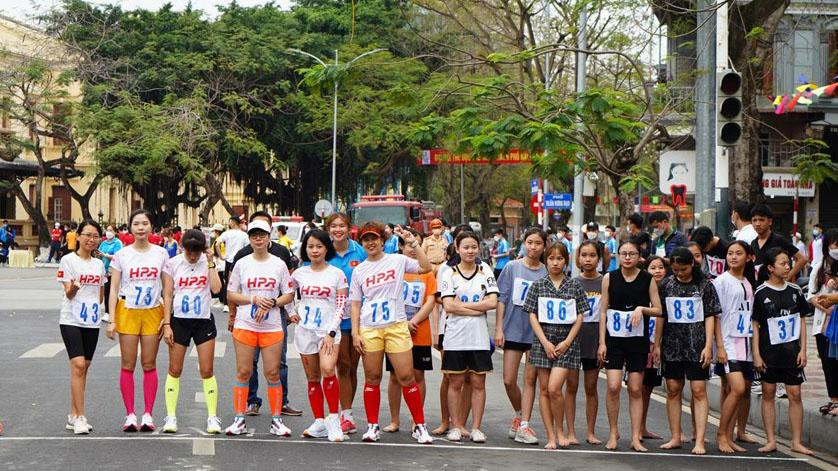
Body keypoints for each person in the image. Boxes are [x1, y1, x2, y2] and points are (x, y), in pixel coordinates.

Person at [349, 222, 434, 444]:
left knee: (407, 377)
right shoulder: (359, 270)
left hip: (396, 326)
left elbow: (426, 268)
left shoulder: (397, 260)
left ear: (383, 241)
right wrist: (356, 333)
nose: (370, 243)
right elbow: (356, 304)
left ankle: (420, 426)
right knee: (373, 377)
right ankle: (372, 426)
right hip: (370, 328)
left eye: (374, 238)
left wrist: (413, 243)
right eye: (366, 239)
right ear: (362, 243)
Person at [224, 218, 296, 436]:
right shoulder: (242, 263)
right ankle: (239, 419)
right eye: (254, 235)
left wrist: (273, 302)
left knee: (272, 373)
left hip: (272, 326)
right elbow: (231, 293)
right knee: (244, 371)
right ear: (250, 238)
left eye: (262, 235)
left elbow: (289, 293)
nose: (258, 239)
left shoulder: (279, 264)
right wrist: (253, 299)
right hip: (245, 324)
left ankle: (276, 420)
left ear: (269, 237)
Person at [597, 239, 663, 452]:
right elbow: (603, 311)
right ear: (618, 255)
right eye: (623, 253)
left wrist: (642, 309)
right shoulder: (610, 278)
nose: (627, 257)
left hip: (637, 341)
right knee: (613, 386)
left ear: (639, 257)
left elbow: (659, 309)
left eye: (632, 254)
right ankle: (613, 432)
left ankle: (635, 437)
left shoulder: (647, 279)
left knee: (635, 389)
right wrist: (601, 342)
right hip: (614, 340)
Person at [107, 209, 169, 432]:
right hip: (128, 310)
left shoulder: (161, 253)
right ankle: (130, 414)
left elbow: (168, 290)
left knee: (149, 363)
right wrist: (111, 319)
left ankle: (148, 414)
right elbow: (113, 288)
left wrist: (167, 320)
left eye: (145, 223)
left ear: (151, 227)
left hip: (153, 311)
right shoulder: (122, 255)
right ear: (130, 228)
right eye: (136, 224)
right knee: (128, 363)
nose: (141, 228)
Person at [654, 247, 720, 455]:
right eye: (675, 270)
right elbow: (661, 316)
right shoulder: (665, 285)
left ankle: (699, 439)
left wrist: (709, 345)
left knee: (699, 390)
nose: (679, 273)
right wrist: (656, 344)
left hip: (697, 345)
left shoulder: (705, 286)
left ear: (692, 264)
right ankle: (675, 436)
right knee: (673, 388)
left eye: (683, 269)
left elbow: (711, 316)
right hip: (672, 345)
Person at [523, 242, 587, 449]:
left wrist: (567, 342)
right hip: (544, 341)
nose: (555, 262)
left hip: (567, 343)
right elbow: (532, 315)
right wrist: (545, 342)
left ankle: (561, 430)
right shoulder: (538, 285)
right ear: (545, 260)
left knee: (554, 388)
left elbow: (580, 316)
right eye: (551, 258)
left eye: (559, 259)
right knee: (544, 389)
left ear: (566, 262)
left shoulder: (574, 285)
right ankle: (551, 435)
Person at [159, 230, 223, 434]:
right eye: (189, 252)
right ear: (182, 247)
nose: (193, 256)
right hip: (179, 321)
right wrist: (167, 324)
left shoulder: (207, 262)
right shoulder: (173, 263)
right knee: (175, 369)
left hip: (203, 321)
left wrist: (211, 262)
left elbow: (216, 289)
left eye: (197, 252)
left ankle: (212, 417)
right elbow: (167, 295)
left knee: (207, 370)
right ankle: (171, 416)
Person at [752, 247, 813, 455]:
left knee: (795, 394)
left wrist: (803, 350)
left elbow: (802, 321)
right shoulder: (760, 293)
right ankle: (770, 440)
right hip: (769, 353)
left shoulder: (795, 291)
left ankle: (796, 441)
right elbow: (755, 326)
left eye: (788, 263)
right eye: (783, 263)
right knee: (768, 393)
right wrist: (757, 355)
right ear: (770, 268)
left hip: (792, 353)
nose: (788, 266)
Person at [288, 229, 348, 442]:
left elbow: (341, 305)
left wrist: (331, 332)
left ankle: (333, 419)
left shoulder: (336, 274)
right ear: (305, 249)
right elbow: (286, 294)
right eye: (310, 246)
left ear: (326, 248)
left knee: (328, 369)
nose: (315, 250)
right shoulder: (298, 274)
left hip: (328, 331)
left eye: (319, 246)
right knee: (312, 378)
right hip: (305, 331)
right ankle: (319, 421)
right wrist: (292, 312)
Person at [439, 230, 497, 443]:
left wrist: (461, 305)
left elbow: (492, 303)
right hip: (455, 336)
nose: (470, 251)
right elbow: (448, 306)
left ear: (478, 248)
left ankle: (476, 428)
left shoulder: (485, 270)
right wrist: (477, 308)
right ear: (457, 249)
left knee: (478, 383)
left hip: (479, 337)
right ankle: (455, 426)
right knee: (455, 382)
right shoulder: (449, 273)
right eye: (466, 247)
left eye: (474, 247)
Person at [494, 227, 547, 445]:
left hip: (537, 334)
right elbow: (502, 298)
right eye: (530, 242)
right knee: (508, 379)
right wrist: (498, 328)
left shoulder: (547, 271)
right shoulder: (511, 267)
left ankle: (524, 424)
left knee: (530, 380)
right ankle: (519, 414)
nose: (533, 247)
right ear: (523, 243)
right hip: (513, 329)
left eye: (538, 243)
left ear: (544, 246)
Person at [383, 229, 437, 434]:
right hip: (396, 329)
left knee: (417, 375)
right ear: (400, 247)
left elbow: (431, 300)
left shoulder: (427, 273)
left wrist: (414, 320)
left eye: (416, 245)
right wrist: (401, 321)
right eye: (408, 245)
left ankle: (417, 419)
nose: (412, 249)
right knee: (395, 376)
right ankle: (394, 419)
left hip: (419, 331)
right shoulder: (394, 269)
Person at [57, 219, 106, 434]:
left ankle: (72, 413)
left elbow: (100, 295)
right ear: (77, 236)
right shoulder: (68, 260)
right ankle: (80, 416)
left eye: (95, 236)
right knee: (77, 365)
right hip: (71, 319)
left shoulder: (99, 264)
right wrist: (75, 288)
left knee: (84, 368)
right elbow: (68, 293)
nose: (91, 239)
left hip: (92, 321)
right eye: (87, 235)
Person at [712, 240, 758, 453]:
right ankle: (721, 434)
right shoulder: (721, 282)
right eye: (730, 253)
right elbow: (716, 315)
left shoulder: (749, 283)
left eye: (739, 253)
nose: (733, 257)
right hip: (728, 343)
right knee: (737, 387)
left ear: (748, 257)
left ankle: (730, 436)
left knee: (740, 389)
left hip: (745, 344)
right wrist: (719, 346)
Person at [324, 212, 367, 434]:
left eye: (342, 225)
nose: (338, 229)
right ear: (328, 229)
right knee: (342, 365)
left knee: (352, 367)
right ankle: (344, 414)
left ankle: (346, 414)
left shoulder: (359, 251)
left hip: (357, 316)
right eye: (333, 226)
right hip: (333, 317)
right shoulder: (324, 250)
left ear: (348, 228)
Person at [567, 240, 606, 445]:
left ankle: (590, 432)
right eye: (584, 255)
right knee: (571, 386)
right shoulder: (572, 282)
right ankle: (571, 431)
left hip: (594, 340)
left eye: (592, 255)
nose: (588, 259)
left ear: (599, 258)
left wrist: (603, 342)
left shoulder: (605, 282)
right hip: (574, 340)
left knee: (591, 387)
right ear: (578, 258)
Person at [807, 229, 838, 416]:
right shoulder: (819, 267)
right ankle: (834, 399)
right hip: (823, 323)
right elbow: (811, 295)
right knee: (828, 362)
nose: (836, 248)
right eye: (833, 244)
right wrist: (826, 307)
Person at [641, 255, 667, 440]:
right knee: (637, 387)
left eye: (660, 267)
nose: (657, 271)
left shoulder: (667, 291)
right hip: (642, 346)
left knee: (649, 387)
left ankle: (642, 427)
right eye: (653, 268)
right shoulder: (641, 290)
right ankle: (638, 427)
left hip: (660, 347)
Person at [750, 204, 808, 282]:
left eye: (761, 220)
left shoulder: (779, 240)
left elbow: (802, 259)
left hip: (778, 289)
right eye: (754, 220)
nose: (757, 224)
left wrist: (787, 277)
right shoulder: (753, 243)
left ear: (770, 221)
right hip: (759, 289)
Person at [217, 216, 249, 310]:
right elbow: (247, 248)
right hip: (240, 261)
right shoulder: (244, 235)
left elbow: (217, 244)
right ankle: (239, 302)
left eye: (229, 221)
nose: (229, 223)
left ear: (233, 222)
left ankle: (227, 304)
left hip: (229, 260)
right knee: (241, 282)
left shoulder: (227, 233)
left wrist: (221, 256)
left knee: (228, 282)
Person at [97, 226, 123, 316]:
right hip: (104, 270)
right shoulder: (104, 243)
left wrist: (105, 255)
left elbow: (118, 256)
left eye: (111, 230)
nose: (108, 232)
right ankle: (108, 311)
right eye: (107, 230)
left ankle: (111, 312)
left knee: (111, 290)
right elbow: (98, 252)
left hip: (113, 270)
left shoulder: (117, 243)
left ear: (115, 232)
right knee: (106, 292)